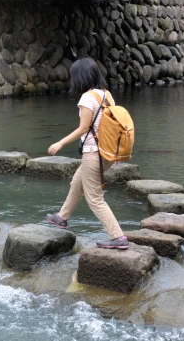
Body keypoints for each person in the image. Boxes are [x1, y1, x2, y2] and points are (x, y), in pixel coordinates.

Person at [45, 58, 129, 250]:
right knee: (77, 182)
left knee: (95, 198)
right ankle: (61, 218)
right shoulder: (107, 95)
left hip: (93, 152)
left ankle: (118, 237)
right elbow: (113, 126)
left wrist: (60, 142)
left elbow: (83, 128)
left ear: (80, 77)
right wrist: (115, 152)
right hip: (107, 152)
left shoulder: (87, 98)